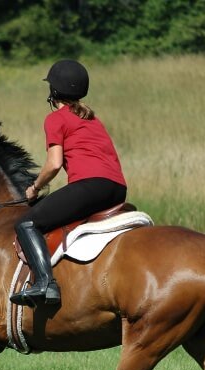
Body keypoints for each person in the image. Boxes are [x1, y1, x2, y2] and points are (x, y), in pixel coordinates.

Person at [10, 59, 127, 307]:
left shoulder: (56, 119)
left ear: (53, 92)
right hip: (117, 189)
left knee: (27, 222)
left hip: (90, 186)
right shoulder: (92, 119)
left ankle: (45, 284)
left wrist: (35, 187)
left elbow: (53, 164)